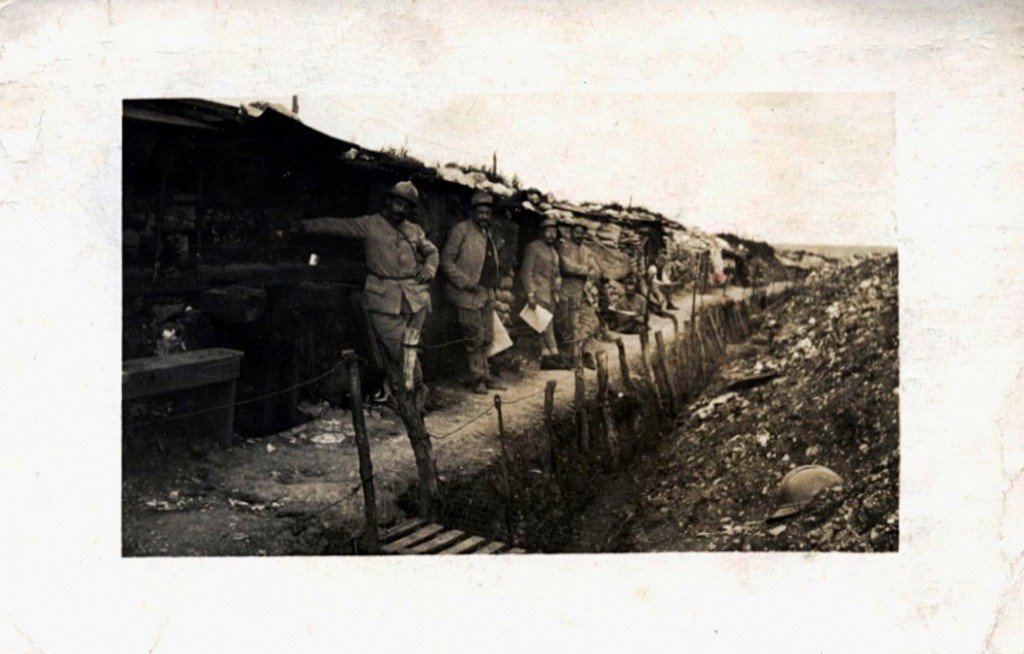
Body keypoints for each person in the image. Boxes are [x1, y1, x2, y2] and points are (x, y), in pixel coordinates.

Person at [292, 180, 438, 411]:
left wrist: (429, 270)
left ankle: (402, 395)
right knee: (403, 349)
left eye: (406, 206)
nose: (400, 210)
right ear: (388, 202)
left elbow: (432, 252)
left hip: (415, 299)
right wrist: (304, 226)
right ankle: (416, 392)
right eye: (397, 203)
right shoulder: (371, 225)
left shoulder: (414, 230)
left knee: (408, 350)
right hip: (383, 299)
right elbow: (338, 225)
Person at [440, 191, 508, 394]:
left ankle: (485, 375)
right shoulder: (461, 230)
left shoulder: (487, 234)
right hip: (466, 294)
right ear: (473, 212)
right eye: (480, 212)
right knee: (473, 337)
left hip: (485, 292)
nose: (484, 216)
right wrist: (466, 282)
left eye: (487, 212)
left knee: (487, 336)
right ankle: (477, 378)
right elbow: (446, 261)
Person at [519, 217, 569, 370]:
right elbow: (525, 272)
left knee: (544, 325)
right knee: (545, 324)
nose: (551, 235)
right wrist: (530, 294)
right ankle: (555, 355)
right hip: (538, 292)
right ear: (541, 232)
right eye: (548, 231)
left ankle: (546, 358)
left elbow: (556, 271)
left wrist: (559, 278)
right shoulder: (533, 248)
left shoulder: (553, 251)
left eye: (554, 232)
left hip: (550, 294)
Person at [556, 218, 600, 369]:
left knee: (593, 322)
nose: (579, 236)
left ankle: (587, 354)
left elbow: (596, 270)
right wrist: (586, 270)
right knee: (570, 327)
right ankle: (571, 360)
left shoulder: (587, 251)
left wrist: (590, 272)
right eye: (577, 232)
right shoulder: (564, 247)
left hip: (584, 294)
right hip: (568, 294)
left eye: (582, 233)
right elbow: (567, 266)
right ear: (571, 232)